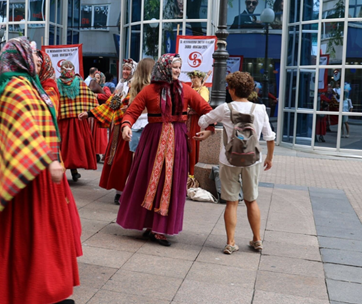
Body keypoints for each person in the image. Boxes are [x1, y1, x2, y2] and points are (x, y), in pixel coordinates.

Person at [0, 37, 81, 304]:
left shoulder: (27, 84)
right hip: (20, 169)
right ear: (21, 57)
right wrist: (50, 159)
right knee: (20, 234)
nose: (37, 58)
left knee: (31, 235)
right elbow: (24, 127)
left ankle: (41, 292)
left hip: (32, 169)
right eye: (33, 53)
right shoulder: (15, 87)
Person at [118, 54, 214, 246]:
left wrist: (210, 130)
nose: (178, 71)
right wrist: (126, 126)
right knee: (148, 180)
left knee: (170, 182)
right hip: (152, 141)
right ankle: (148, 224)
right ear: (164, 68)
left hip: (177, 141)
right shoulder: (149, 90)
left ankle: (160, 228)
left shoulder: (186, 90)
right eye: (174, 67)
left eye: (179, 67)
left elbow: (206, 109)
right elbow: (131, 111)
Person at [196, 72, 275, 254]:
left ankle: (231, 242)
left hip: (229, 160)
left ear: (232, 90)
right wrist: (270, 157)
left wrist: (212, 129)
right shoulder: (260, 109)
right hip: (253, 160)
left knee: (231, 202)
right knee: (251, 200)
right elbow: (269, 137)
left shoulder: (225, 108)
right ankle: (257, 240)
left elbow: (203, 121)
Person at [79, 59, 137, 205]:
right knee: (117, 160)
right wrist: (90, 113)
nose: (125, 72)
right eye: (124, 69)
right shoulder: (120, 86)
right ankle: (119, 191)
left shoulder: (137, 87)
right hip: (118, 127)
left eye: (128, 70)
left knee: (126, 160)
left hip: (130, 128)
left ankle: (128, 191)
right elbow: (110, 104)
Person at [57, 60, 98, 182]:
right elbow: (90, 98)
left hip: (62, 120)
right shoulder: (79, 82)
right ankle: (74, 172)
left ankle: (63, 171)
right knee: (74, 147)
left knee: (63, 146)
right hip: (77, 119)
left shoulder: (57, 83)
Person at [186, 70, 211, 180]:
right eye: (192, 77)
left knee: (192, 142)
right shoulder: (190, 89)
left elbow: (202, 103)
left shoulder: (203, 90)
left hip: (195, 120)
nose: (193, 79)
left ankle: (192, 172)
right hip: (187, 119)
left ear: (201, 79)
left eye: (196, 77)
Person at [127, 58, 155, 154]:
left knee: (135, 157)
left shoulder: (134, 86)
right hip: (148, 124)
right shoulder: (151, 88)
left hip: (135, 124)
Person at [89, 71, 110, 161]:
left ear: (101, 79)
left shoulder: (105, 88)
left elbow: (109, 97)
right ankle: (94, 153)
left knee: (99, 133)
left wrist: (97, 95)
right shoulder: (91, 87)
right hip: (93, 112)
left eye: (98, 77)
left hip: (101, 113)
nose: (95, 79)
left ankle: (100, 152)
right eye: (95, 77)